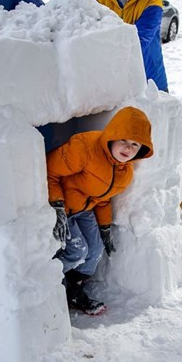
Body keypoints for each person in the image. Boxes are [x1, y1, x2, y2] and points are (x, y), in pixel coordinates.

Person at [95, 0, 182, 223]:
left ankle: (181, 194)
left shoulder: (152, 3)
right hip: (115, 80)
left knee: (163, 140)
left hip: (151, 81)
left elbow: (136, 42)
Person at [46, 106, 154, 315]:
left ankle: (74, 292)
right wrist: (57, 205)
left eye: (134, 144)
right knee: (78, 251)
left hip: (85, 210)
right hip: (63, 205)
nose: (127, 148)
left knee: (95, 252)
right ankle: (48, 284)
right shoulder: (85, 147)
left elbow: (102, 200)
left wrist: (104, 227)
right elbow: (50, 171)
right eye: (123, 139)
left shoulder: (124, 173)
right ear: (112, 135)